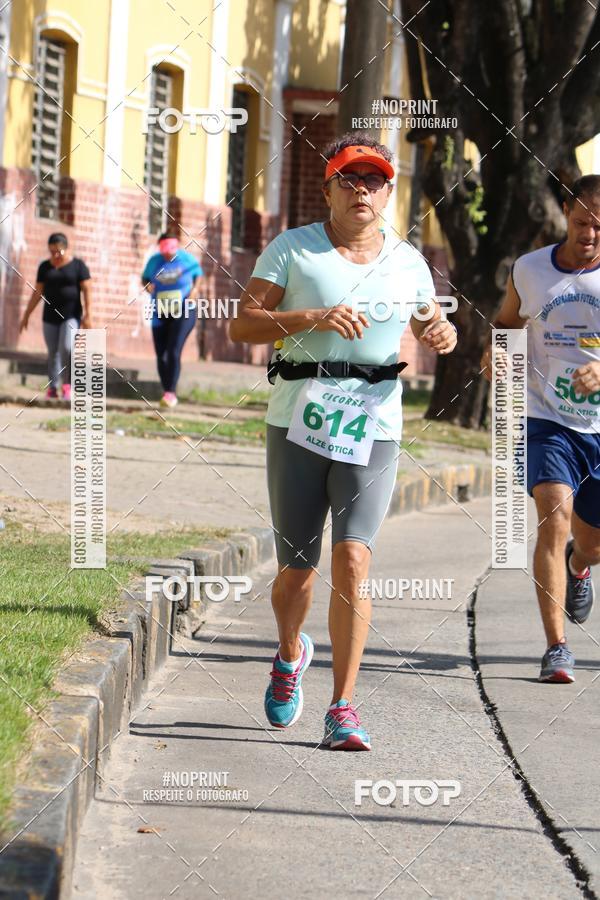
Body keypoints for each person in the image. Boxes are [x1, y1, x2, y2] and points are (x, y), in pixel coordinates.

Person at [230, 133, 457, 750]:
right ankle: (287, 654)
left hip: (374, 421)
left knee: (354, 557)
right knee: (297, 573)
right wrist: (311, 318)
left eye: (375, 180)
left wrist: (442, 333)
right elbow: (243, 323)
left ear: (389, 192)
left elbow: (431, 320)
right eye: (350, 179)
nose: (363, 190)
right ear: (328, 188)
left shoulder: (408, 261)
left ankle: (343, 707)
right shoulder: (293, 250)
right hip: (298, 419)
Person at [481, 174, 600, 683]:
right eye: (581, 222)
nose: (590, 234)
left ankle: (580, 564)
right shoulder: (530, 269)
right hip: (546, 416)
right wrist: (497, 352)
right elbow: (508, 321)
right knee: (554, 514)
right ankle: (557, 646)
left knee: (591, 541)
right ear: (565, 213)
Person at [19, 233, 92, 400]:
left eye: (59, 252)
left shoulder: (78, 266)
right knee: (53, 352)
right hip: (49, 317)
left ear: (66, 249)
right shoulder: (45, 267)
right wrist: (26, 315)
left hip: (71, 315)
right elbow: (38, 293)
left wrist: (89, 315)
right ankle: (53, 386)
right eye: (52, 252)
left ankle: (67, 385)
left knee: (66, 348)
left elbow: (88, 290)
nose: (55, 256)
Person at [142, 232, 204, 408]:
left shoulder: (186, 259)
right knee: (161, 355)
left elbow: (198, 275)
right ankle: (166, 391)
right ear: (160, 248)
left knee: (173, 351)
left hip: (184, 311)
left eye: (172, 250)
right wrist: (148, 286)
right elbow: (145, 278)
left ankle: (171, 392)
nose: (169, 254)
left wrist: (195, 291)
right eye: (165, 250)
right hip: (160, 311)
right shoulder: (155, 261)